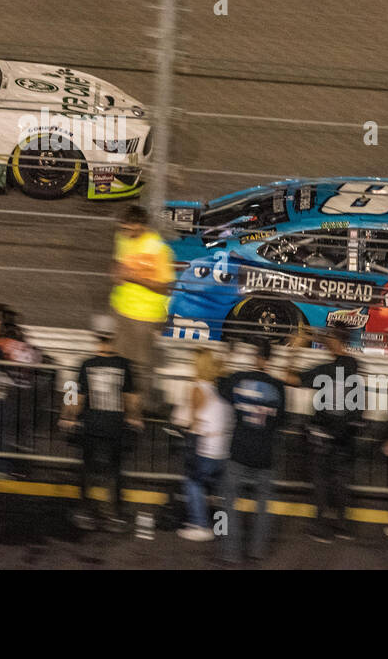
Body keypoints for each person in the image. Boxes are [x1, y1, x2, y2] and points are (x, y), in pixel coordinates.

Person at [60, 314, 141, 532]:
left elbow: (76, 397)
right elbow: (132, 398)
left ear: (96, 336)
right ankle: (114, 515)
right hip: (115, 425)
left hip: (92, 424)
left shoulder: (86, 364)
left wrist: (68, 416)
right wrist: (134, 417)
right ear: (113, 336)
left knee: (87, 469)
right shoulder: (124, 364)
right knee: (114, 470)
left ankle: (85, 512)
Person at [286, 325, 362, 543]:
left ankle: (321, 527)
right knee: (340, 481)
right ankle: (343, 526)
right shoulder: (354, 365)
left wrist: (294, 350)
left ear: (334, 341)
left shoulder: (326, 370)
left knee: (320, 480)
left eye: (328, 339)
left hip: (323, 433)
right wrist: (320, 336)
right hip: (346, 435)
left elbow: (291, 378)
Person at [218, 336, 288, 564]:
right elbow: (282, 421)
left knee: (229, 501)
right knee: (263, 504)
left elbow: (220, 388)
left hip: (238, 450)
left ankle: (230, 552)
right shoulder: (278, 386)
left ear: (254, 356)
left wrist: (227, 358)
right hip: (265, 453)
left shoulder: (238, 379)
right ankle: (257, 551)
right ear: (269, 359)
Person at [109, 205, 174, 417]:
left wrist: (135, 278)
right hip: (122, 310)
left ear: (141, 226)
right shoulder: (123, 238)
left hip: (145, 316)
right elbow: (119, 262)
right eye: (123, 228)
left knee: (142, 365)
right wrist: (116, 272)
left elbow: (165, 286)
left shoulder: (158, 249)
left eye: (130, 229)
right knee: (120, 361)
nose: (126, 233)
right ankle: (120, 403)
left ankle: (138, 411)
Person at [0, 300, 41, 478]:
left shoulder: (2, 344)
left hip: (8, 393)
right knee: (17, 433)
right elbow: (35, 359)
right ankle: (20, 469)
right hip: (26, 392)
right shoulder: (19, 338)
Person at [177, 348, 231, 541]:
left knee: (193, 483)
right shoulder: (220, 388)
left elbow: (190, 420)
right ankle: (221, 526)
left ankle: (200, 525)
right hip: (222, 450)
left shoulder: (197, 388)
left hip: (205, 448)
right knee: (215, 488)